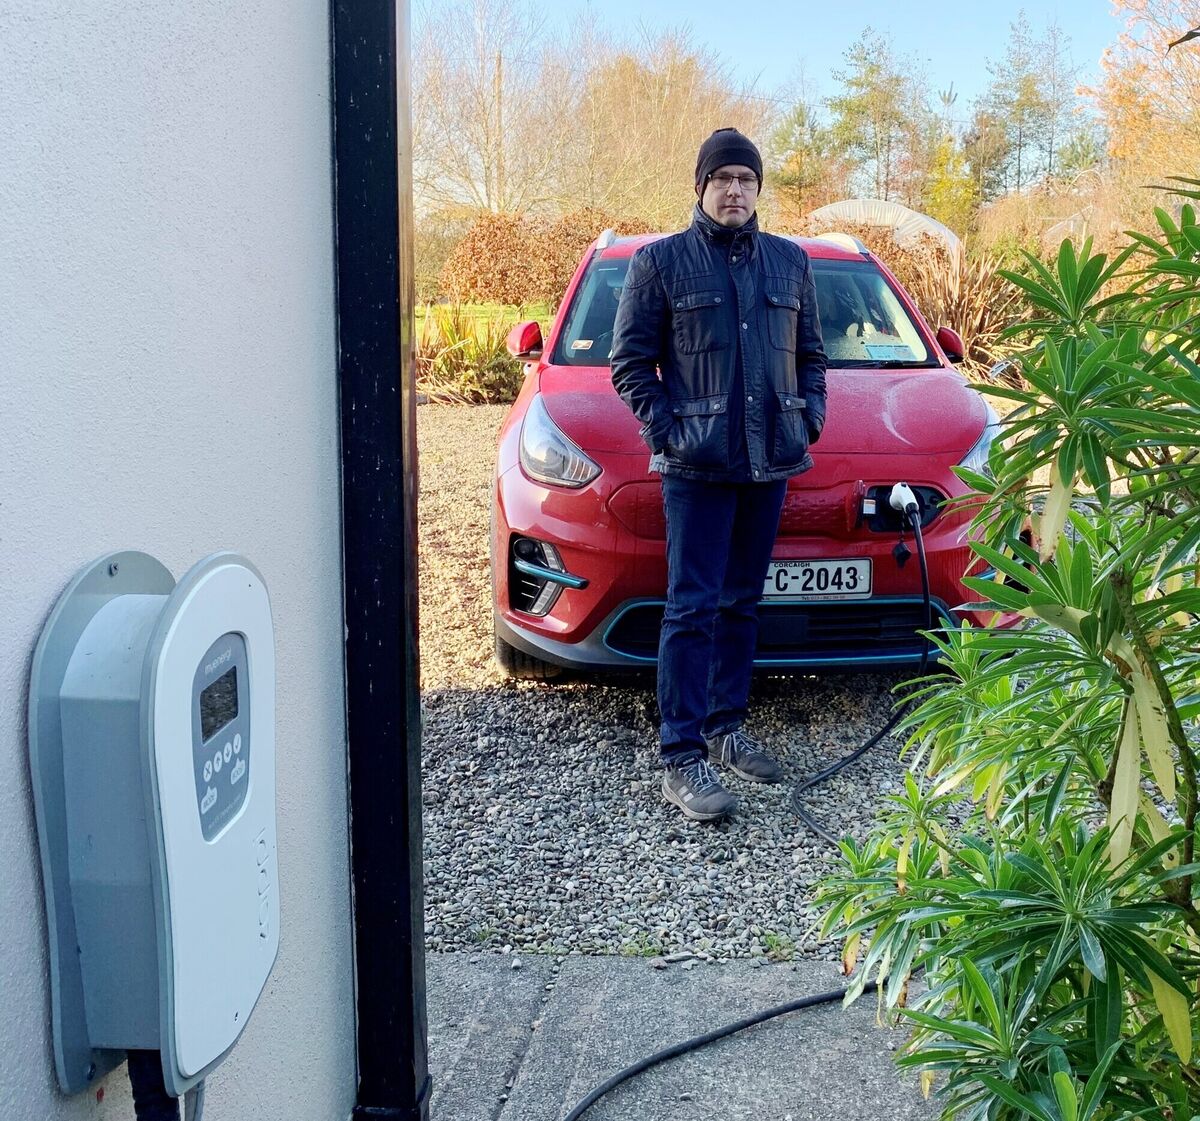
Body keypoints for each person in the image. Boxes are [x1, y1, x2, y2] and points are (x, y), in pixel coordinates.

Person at [610, 127, 827, 822]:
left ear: (759, 190)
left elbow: (814, 357)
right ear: (700, 187)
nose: (735, 190)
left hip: (770, 463)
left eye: (746, 179)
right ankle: (681, 755)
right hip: (696, 469)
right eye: (723, 179)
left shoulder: (790, 264)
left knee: (741, 602)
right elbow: (629, 364)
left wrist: (808, 417)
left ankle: (727, 727)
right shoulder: (661, 263)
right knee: (692, 606)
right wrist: (671, 430)